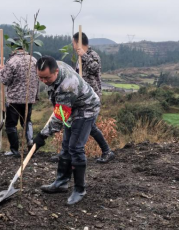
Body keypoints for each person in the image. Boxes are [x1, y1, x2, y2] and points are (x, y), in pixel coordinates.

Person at [31, 56, 101, 205]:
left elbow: (59, 118)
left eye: (47, 78)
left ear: (56, 71)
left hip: (86, 109)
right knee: (66, 146)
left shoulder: (67, 86)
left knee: (75, 148)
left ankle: (80, 189)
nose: (43, 81)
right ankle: (61, 182)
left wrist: (42, 136)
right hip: (72, 106)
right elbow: (60, 110)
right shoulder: (57, 65)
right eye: (40, 77)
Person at [73, 32, 116, 164]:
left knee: (89, 125)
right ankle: (106, 151)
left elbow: (94, 68)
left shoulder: (92, 55)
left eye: (74, 42)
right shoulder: (79, 58)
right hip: (82, 97)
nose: (73, 46)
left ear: (79, 42)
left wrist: (83, 56)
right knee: (86, 125)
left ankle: (107, 151)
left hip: (92, 97)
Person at [0, 47, 38, 157]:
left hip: (14, 99)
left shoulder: (12, 61)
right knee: (27, 121)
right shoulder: (33, 60)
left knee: (11, 124)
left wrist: (1, 71)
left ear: (14, 48)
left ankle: (14, 150)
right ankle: (30, 145)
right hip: (29, 98)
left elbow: (5, 80)